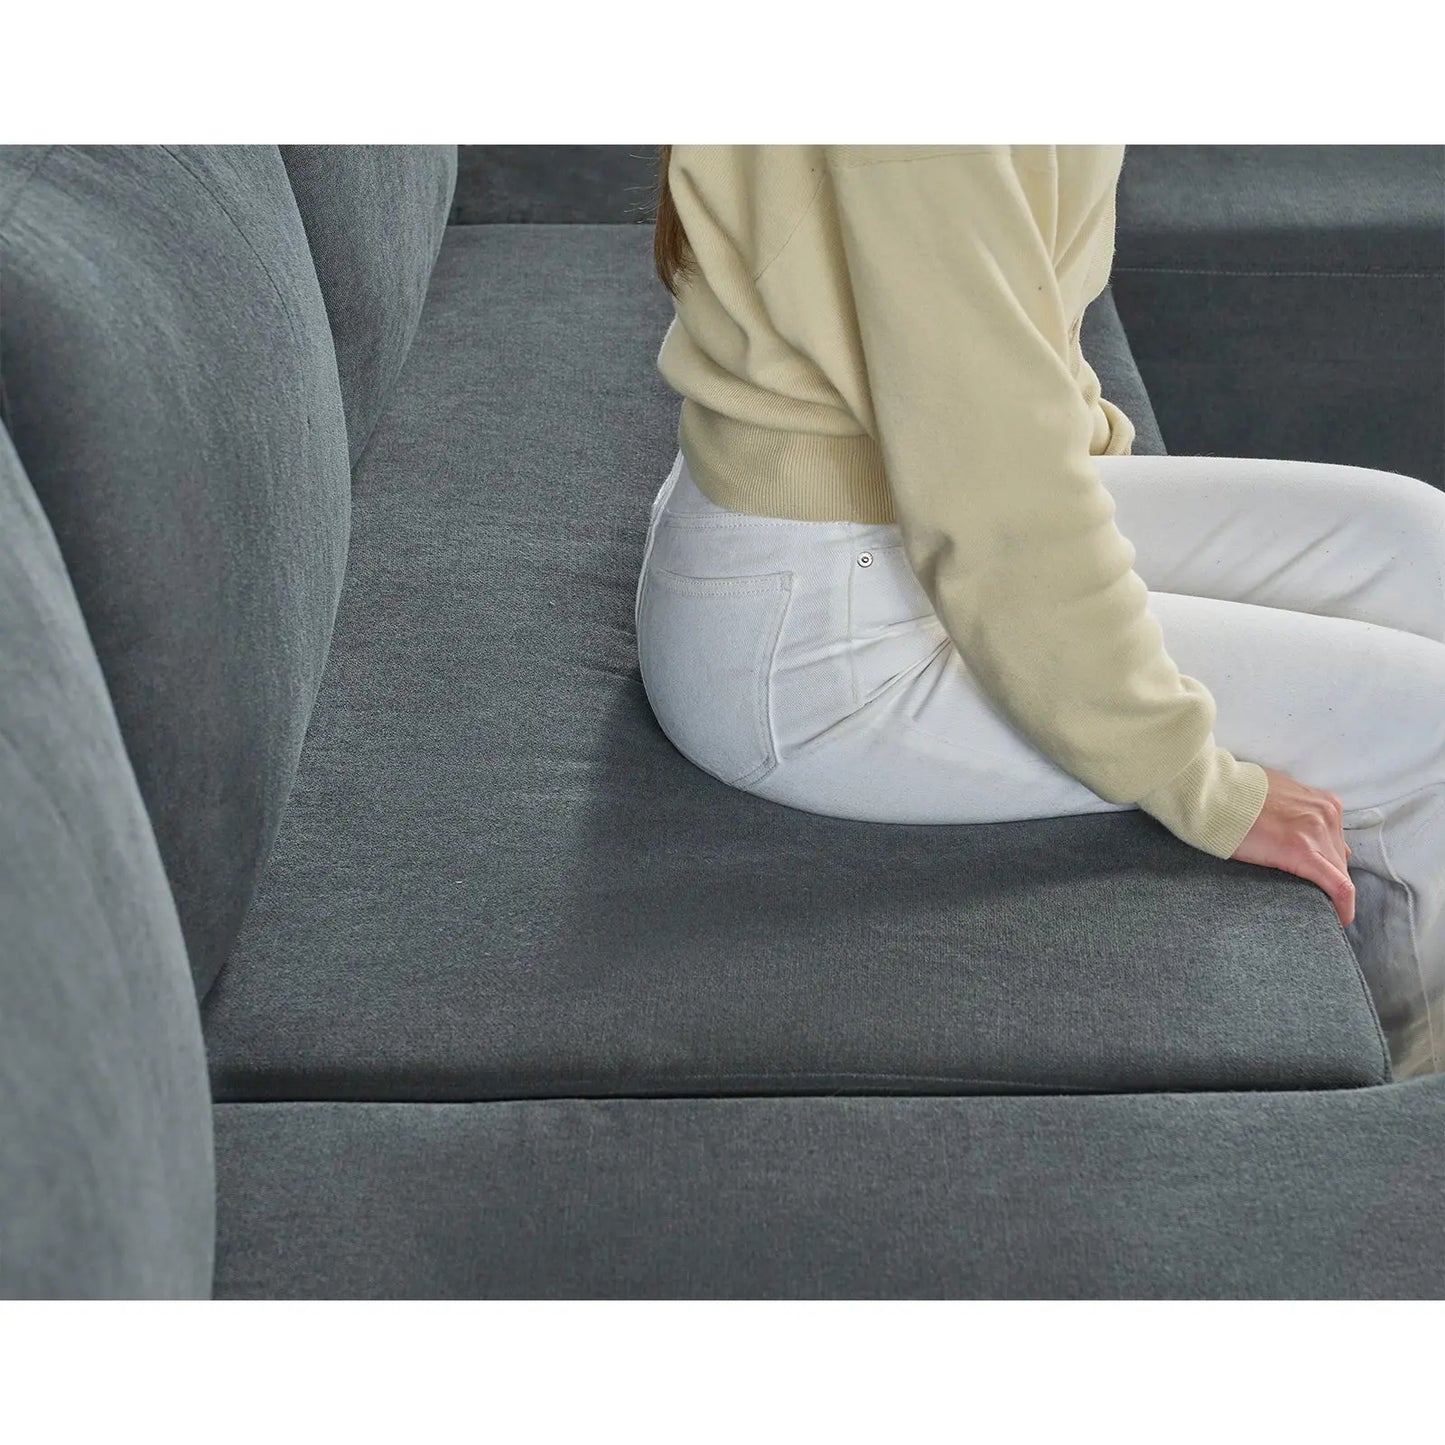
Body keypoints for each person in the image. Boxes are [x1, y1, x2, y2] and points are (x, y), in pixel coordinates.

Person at [636, 143, 1445, 1079]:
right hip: (815, 642)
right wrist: (1196, 779)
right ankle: (1404, 1128)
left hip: (902, 500)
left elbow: (1016, 323)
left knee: (1414, 541)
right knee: (1426, 727)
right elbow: (996, 505)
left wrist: (1106, 503)